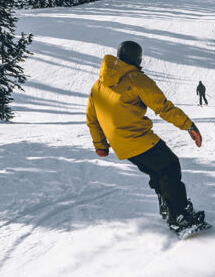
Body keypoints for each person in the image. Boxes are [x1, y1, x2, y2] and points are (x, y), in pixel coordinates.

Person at [86, 40, 206, 234]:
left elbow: (92, 118)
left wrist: (101, 145)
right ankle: (179, 216)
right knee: (170, 166)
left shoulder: (98, 84)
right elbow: (164, 107)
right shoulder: (137, 79)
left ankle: (169, 208)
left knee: (158, 171)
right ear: (137, 58)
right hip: (137, 138)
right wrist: (188, 126)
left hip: (122, 145)